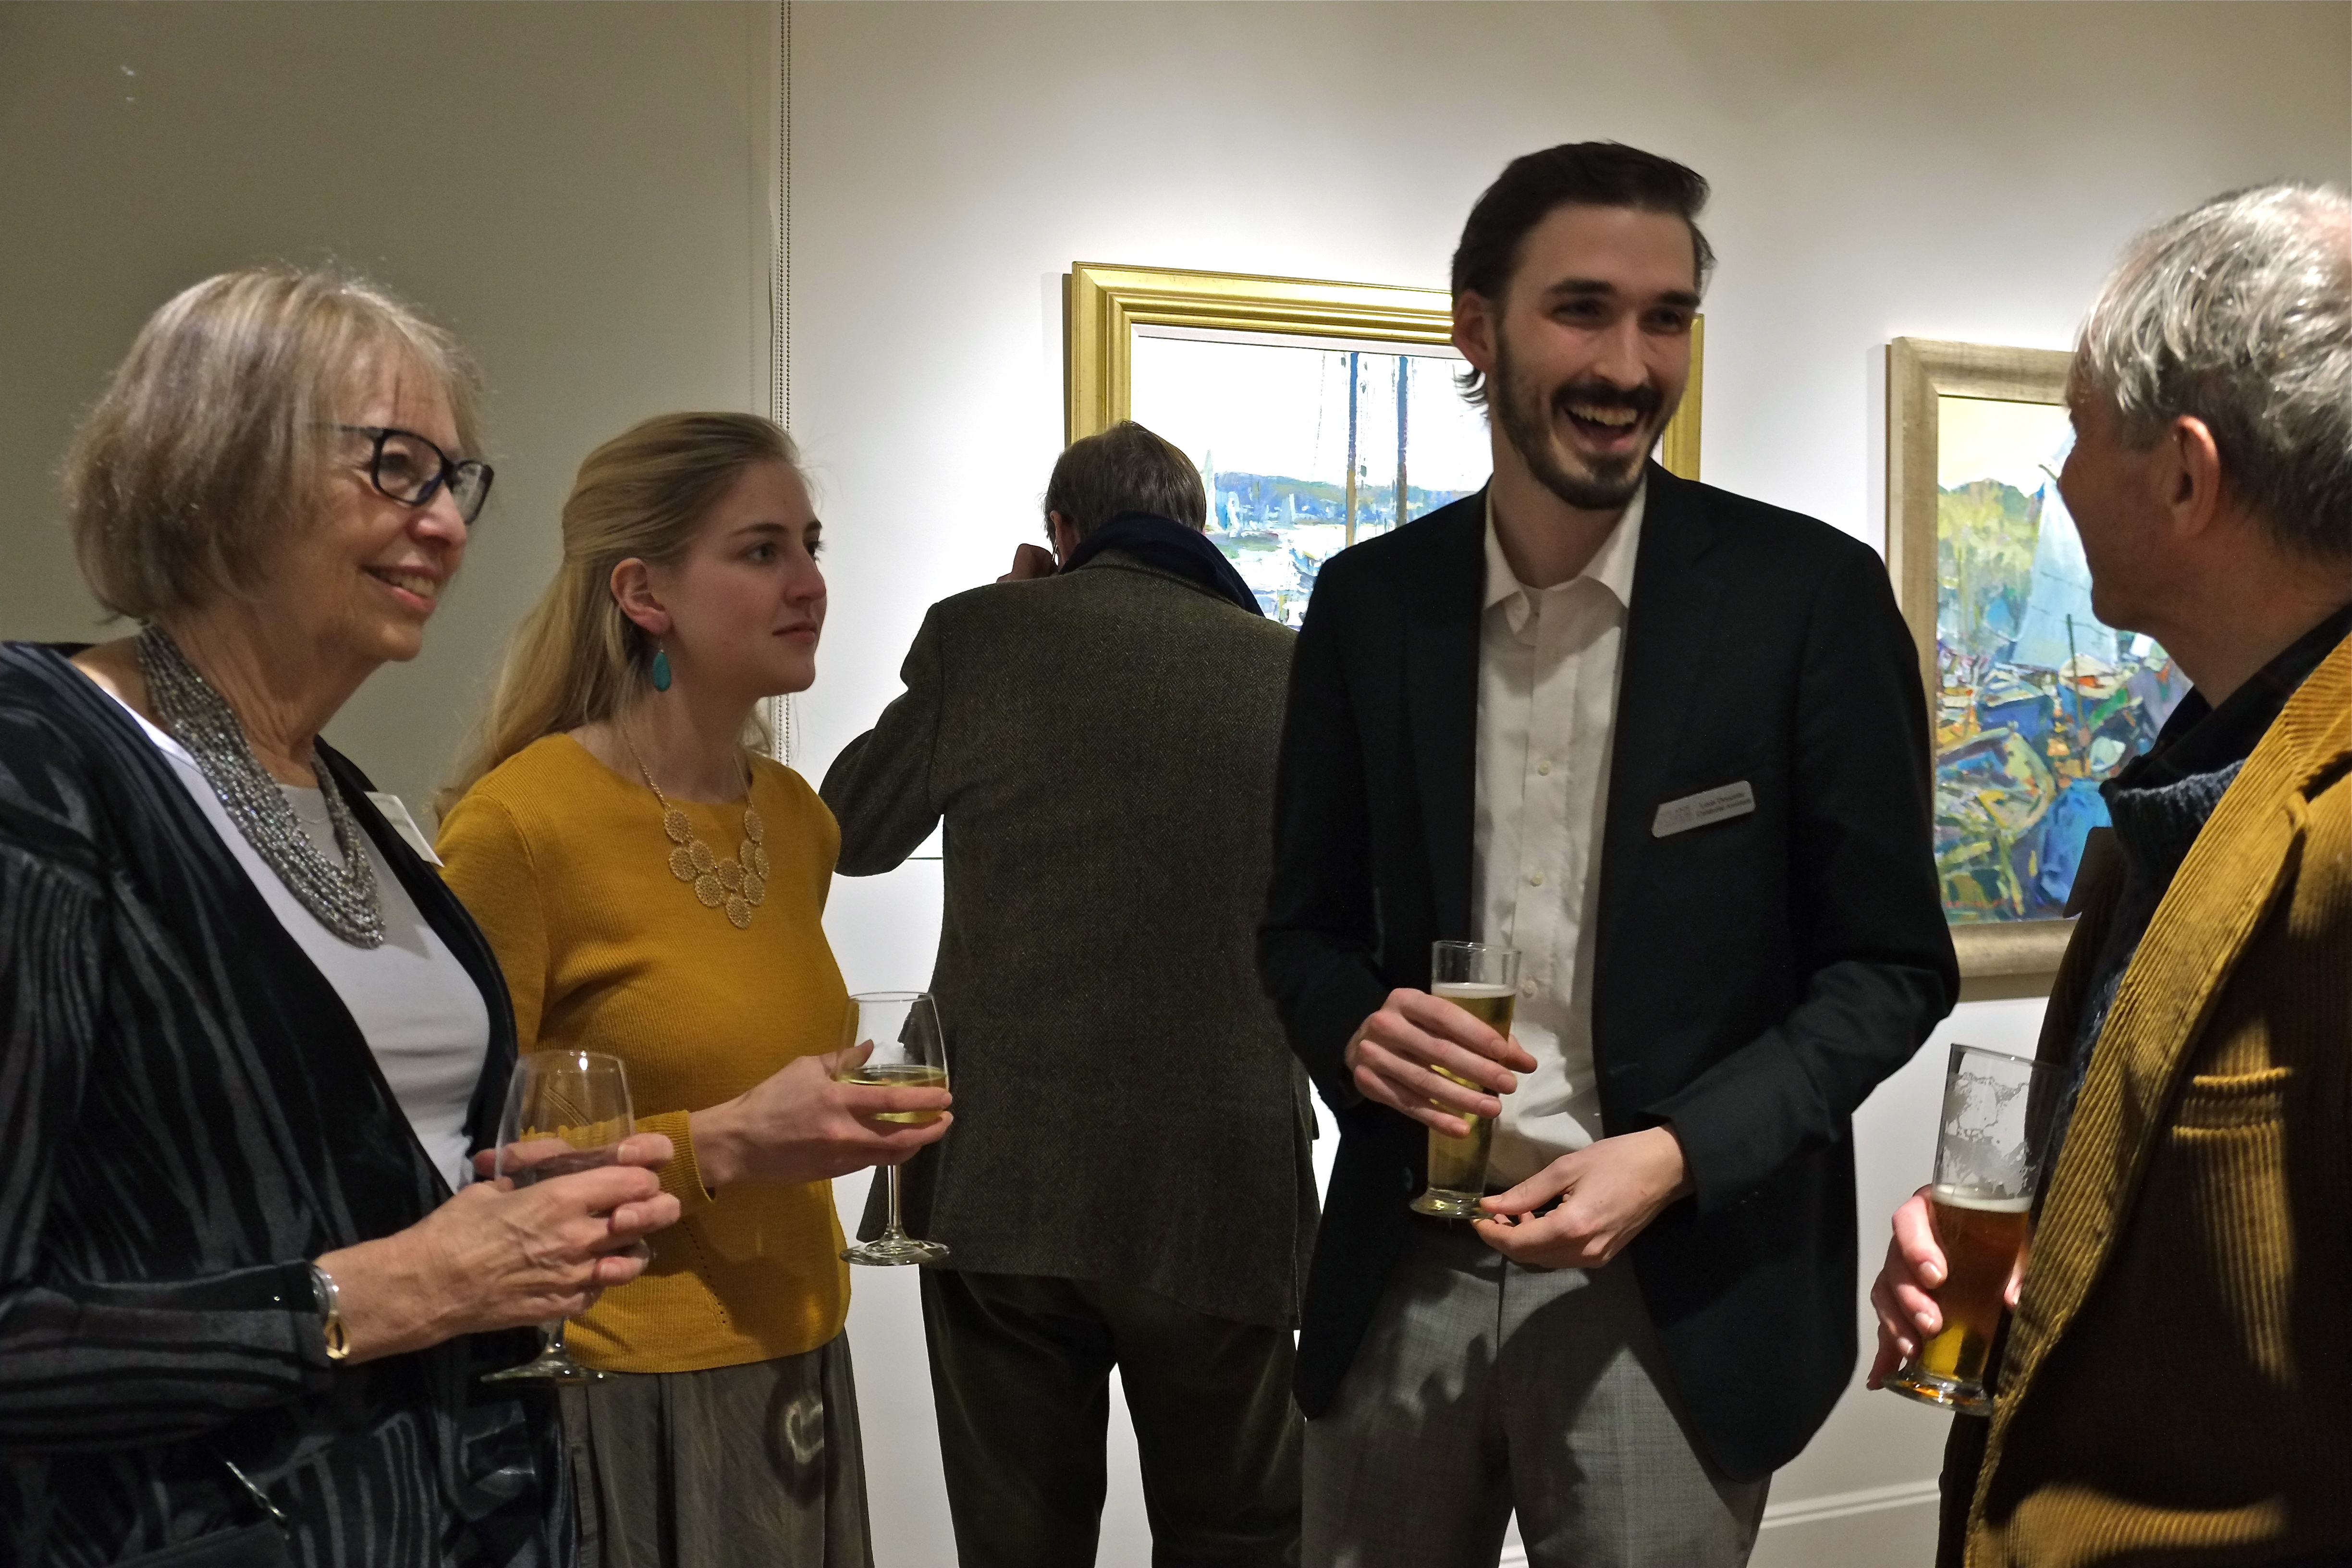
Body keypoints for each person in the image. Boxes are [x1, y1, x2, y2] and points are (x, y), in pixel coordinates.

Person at [1257, 141, 1959, 1568]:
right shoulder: (1370, 604)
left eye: (1666, 318)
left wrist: (1679, 1154)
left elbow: (1892, 969)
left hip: (1676, 1296)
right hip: (1402, 1269)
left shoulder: (1808, 601)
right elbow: (1300, 932)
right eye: (1582, 310)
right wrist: (1355, 1028)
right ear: (1477, 326)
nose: (1630, 367)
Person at [0, 267, 682, 1565]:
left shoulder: (352, 799)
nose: (447, 526)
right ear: (215, 466)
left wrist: (510, 1213)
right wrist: (392, 1292)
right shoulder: (40, 769)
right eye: (395, 467)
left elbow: (346, 1169)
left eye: (457, 481)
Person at [1867, 184, 2352, 1568]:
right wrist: (2056, 1257)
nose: (2065, 479)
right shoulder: (2211, 766)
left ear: (2186, 477)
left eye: (2078, 429)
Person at [435, 412, 949, 1568]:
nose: (809, 583)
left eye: (811, 545)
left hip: (799, 1364)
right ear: (643, 593)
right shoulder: (521, 827)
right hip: (616, 1390)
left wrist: (825, 1127)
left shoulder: (798, 819)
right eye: (761, 550)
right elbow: (467, 1167)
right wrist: (724, 1144)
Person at [820, 420, 1312, 1568]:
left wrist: (1003, 618)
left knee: (1018, 1540)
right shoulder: (1293, 670)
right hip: (1221, 1177)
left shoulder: (984, 636)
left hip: (1005, 1179)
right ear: (1196, 527)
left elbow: (852, 827)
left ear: (1061, 529)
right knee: (1242, 1536)